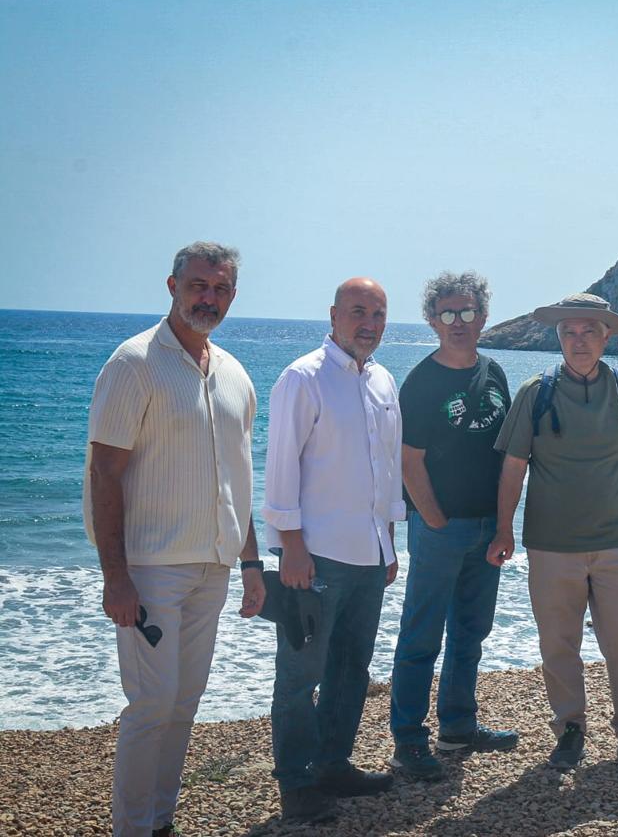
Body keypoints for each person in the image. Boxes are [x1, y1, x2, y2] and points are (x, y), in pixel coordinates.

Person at [85, 241, 264, 837]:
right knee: (151, 707)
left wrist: (252, 563)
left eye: (219, 289)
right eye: (197, 285)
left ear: (232, 296)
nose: (207, 297)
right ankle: (131, 829)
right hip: (152, 570)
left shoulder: (236, 375)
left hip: (213, 568)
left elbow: (238, 480)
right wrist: (116, 576)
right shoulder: (133, 363)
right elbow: (103, 472)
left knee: (184, 706)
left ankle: (160, 821)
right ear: (172, 286)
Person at [486, 293, 618, 770]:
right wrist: (503, 530)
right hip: (551, 545)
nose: (579, 340)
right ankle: (569, 729)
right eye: (569, 332)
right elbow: (512, 468)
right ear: (559, 337)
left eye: (589, 331)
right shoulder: (535, 392)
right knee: (558, 642)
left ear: (606, 336)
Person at [263, 278, 402, 824]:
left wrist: (390, 541)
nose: (368, 322)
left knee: (352, 668)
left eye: (378, 313)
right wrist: (290, 547)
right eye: (358, 311)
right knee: (300, 675)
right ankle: (296, 785)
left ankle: (333, 765)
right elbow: (281, 470)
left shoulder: (385, 381)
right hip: (315, 556)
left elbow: (388, 470)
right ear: (334, 315)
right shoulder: (303, 378)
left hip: (370, 554)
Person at [388, 272, 517, 781]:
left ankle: (459, 726)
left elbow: (507, 455)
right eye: (447, 313)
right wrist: (435, 518)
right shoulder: (421, 381)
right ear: (432, 321)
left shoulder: (495, 371)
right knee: (421, 637)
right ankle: (409, 742)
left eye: (467, 312)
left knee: (470, 633)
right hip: (439, 529)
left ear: (483, 318)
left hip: (488, 527)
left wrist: (504, 525)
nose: (458, 322)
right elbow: (407, 460)